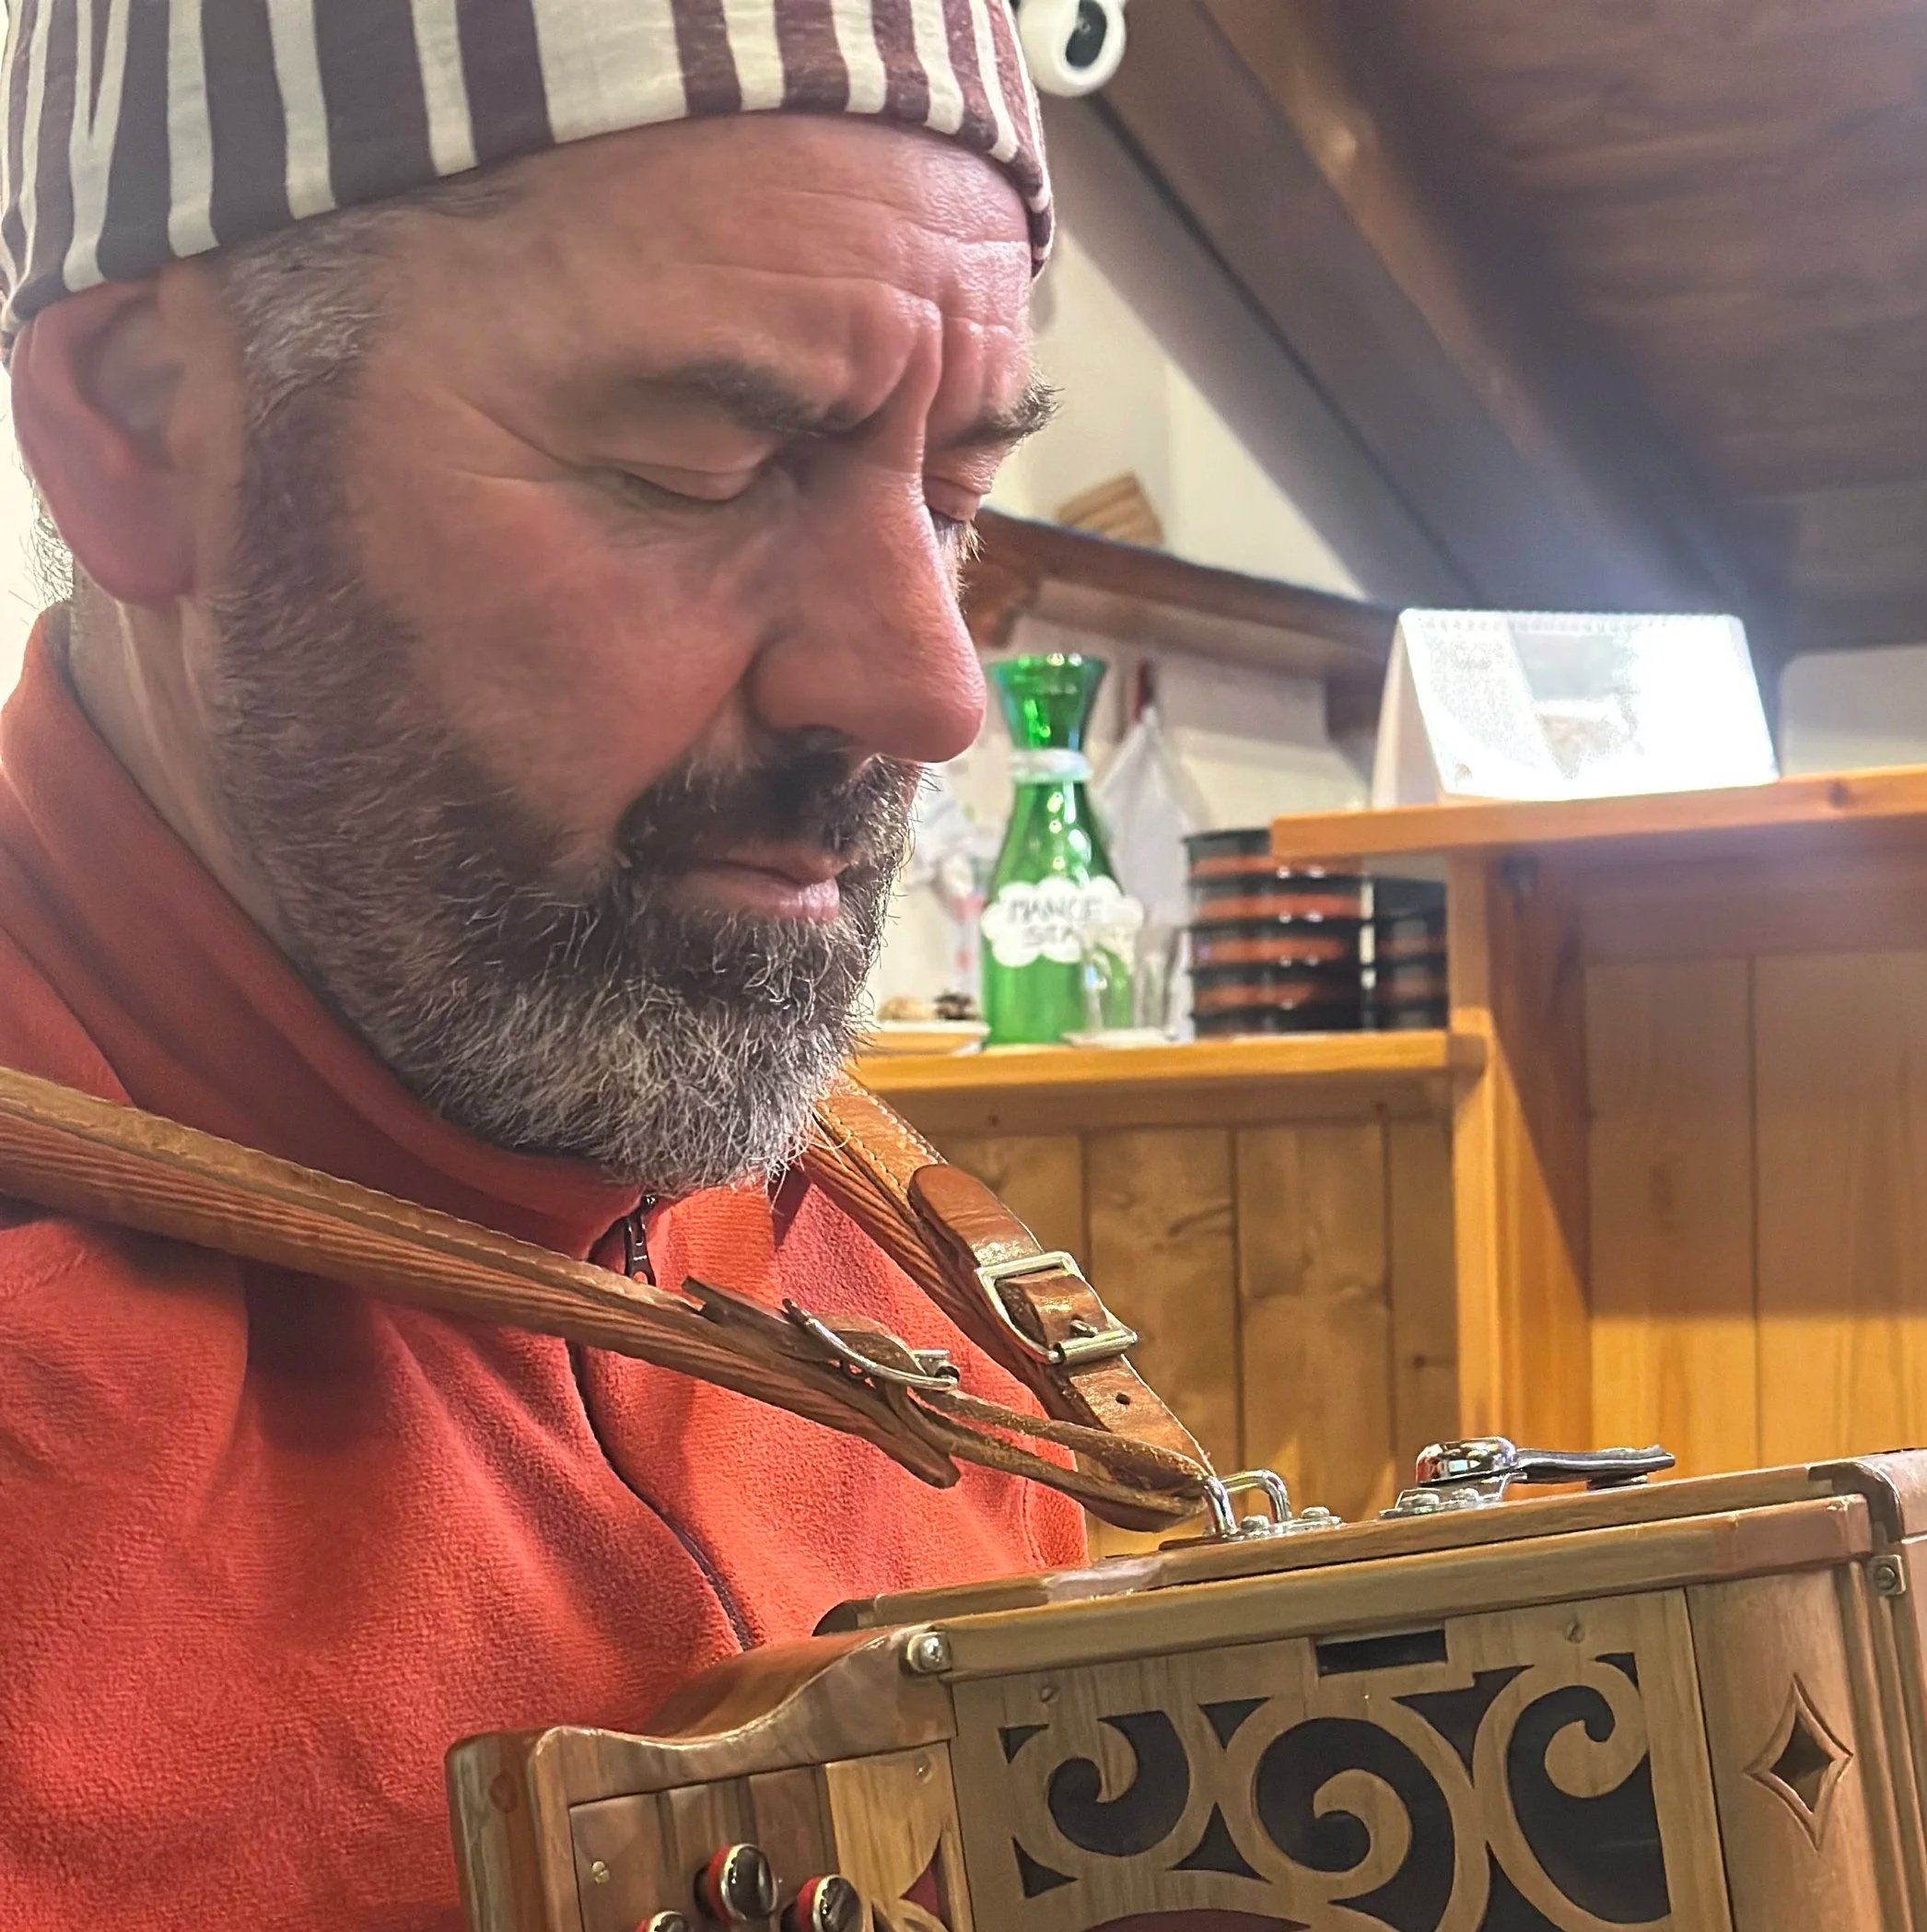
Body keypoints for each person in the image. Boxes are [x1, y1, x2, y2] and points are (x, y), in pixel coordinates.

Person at [0, 6, 1086, 1927]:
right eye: (710, 460)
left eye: (952, 496)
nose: (926, 692)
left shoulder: (913, 1285)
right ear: (144, 432)